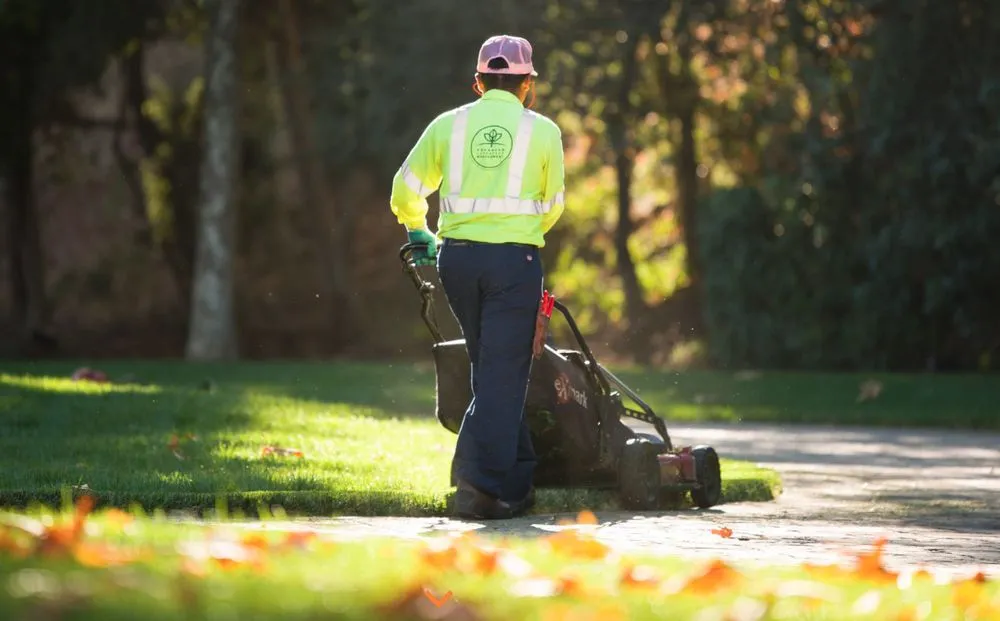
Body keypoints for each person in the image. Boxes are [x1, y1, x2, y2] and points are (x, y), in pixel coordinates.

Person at [388, 35, 566, 519]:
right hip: (514, 263)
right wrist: (520, 233)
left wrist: (418, 230)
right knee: (501, 372)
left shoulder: (448, 125)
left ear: (478, 83)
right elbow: (552, 206)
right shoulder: (544, 132)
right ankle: (479, 488)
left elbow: (405, 189)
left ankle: (518, 476)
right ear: (528, 85)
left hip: (458, 261)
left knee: (492, 369)